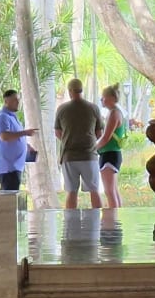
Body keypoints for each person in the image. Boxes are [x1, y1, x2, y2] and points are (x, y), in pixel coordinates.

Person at [54, 77, 103, 209]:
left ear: (70, 91)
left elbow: (58, 132)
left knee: (71, 192)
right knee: (94, 191)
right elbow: (99, 133)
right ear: (81, 90)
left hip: (69, 156)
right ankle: (97, 220)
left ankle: (71, 221)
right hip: (89, 156)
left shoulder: (62, 109)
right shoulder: (93, 108)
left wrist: (68, 138)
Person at [0, 89, 35, 192]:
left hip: (15, 166)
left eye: (18, 99)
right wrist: (25, 133)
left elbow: (15, 136)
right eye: (15, 100)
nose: (18, 102)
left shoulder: (13, 118)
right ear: (6, 101)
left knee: (12, 195)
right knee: (9, 197)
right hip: (7, 167)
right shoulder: (2, 117)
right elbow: (4, 136)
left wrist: (26, 146)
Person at [95, 84, 129, 210]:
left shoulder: (114, 113)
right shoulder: (114, 112)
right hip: (111, 154)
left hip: (109, 154)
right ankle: (117, 217)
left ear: (112, 98)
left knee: (109, 191)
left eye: (104, 97)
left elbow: (106, 137)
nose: (102, 100)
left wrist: (92, 148)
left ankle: (113, 219)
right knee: (113, 190)